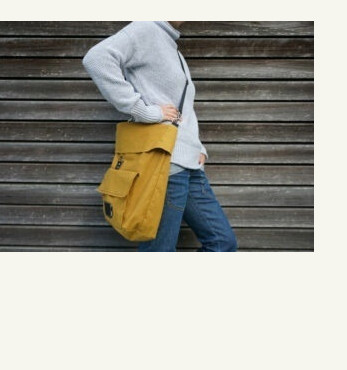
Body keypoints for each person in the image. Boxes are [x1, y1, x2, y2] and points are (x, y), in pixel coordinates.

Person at [82, 21, 238, 252]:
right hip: (164, 164)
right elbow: (96, 59)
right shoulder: (146, 29)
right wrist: (145, 111)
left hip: (190, 165)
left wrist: (198, 147)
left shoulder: (171, 45)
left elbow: (182, 109)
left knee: (223, 243)